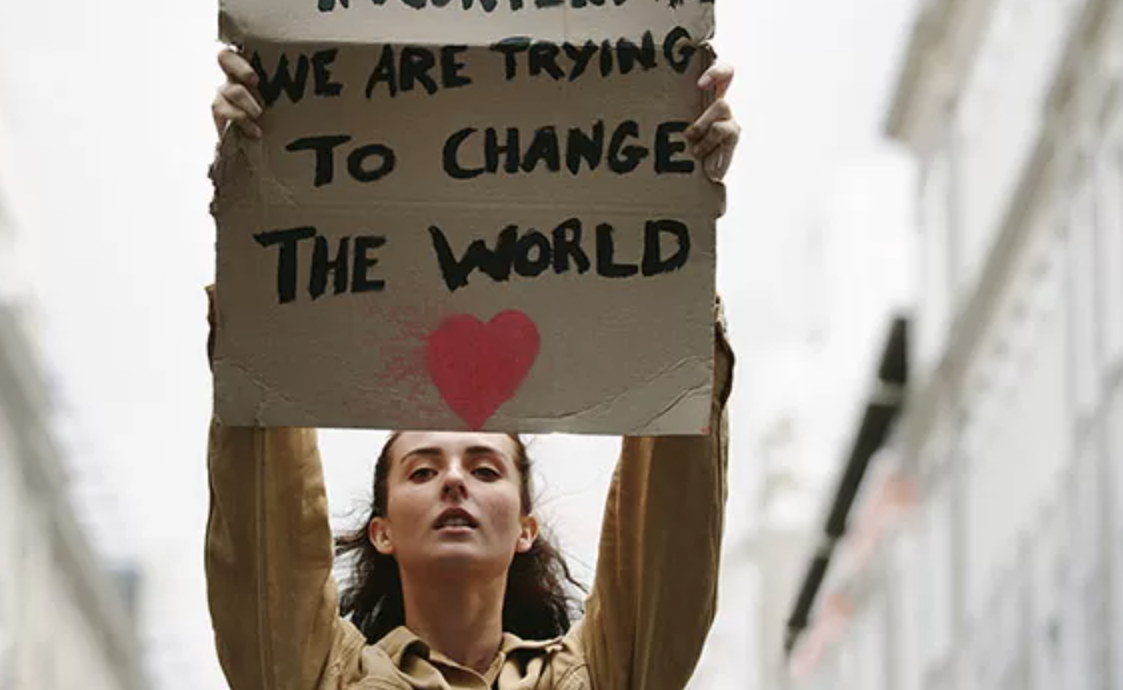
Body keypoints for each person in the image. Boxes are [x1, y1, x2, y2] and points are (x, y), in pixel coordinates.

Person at [205, 46, 741, 690]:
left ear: (525, 529)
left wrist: (674, 200)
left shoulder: (602, 676)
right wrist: (255, 198)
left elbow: (672, 512)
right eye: (422, 470)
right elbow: (265, 502)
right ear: (381, 531)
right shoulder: (316, 676)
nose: (454, 481)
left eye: (485, 469)